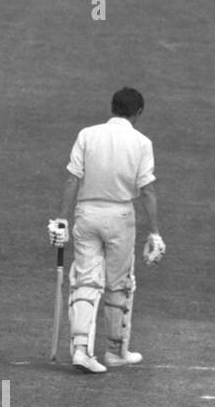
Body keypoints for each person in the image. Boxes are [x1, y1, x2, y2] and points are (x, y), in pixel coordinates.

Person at [47, 87, 165, 373]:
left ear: (112, 107)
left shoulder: (87, 135)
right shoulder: (141, 142)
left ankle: (80, 350)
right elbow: (146, 191)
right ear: (138, 113)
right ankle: (115, 351)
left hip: (86, 215)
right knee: (118, 284)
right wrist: (155, 233)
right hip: (120, 216)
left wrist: (61, 219)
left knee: (85, 280)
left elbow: (72, 180)